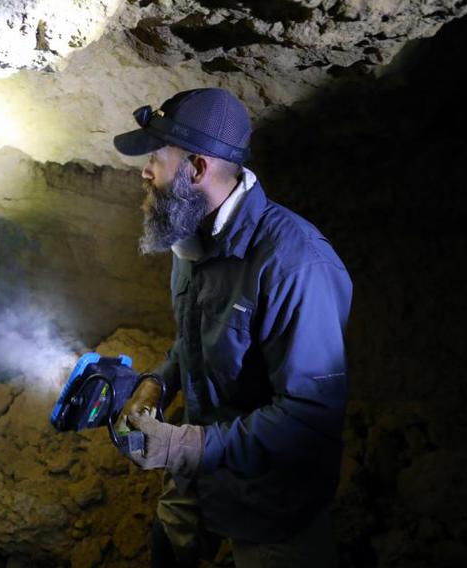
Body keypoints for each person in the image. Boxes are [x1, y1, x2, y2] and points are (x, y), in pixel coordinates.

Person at [111, 87, 353, 567]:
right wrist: (160, 383)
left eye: (155, 160)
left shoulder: (296, 264)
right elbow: (199, 338)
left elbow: (310, 417)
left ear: (197, 169)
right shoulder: (190, 239)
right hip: (202, 473)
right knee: (169, 544)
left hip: (272, 499)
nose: (144, 172)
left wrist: (185, 445)